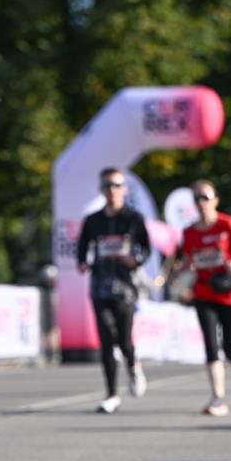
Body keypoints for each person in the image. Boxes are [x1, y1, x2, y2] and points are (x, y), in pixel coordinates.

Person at [77, 168, 150, 413]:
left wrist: (135, 260)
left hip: (125, 287)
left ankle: (133, 365)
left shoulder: (133, 218)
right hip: (100, 285)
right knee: (106, 339)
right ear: (101, 189)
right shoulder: (93, 220)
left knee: (124, 340)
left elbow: (145, 248)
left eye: (117, 185)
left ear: (124, 189)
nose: (112, 190)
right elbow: (83, 246)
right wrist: (82, 262)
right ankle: (111, 394)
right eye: (107, 185)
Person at [181, 180, 231, 416]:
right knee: (211, 347)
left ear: (216, 199)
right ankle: (217, 398)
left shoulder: (227, 224)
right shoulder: (189, 232)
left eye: (206, 197)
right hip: (204, 292)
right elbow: (189, 260)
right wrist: (176, 273)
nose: (201, 203)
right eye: (197, 199)